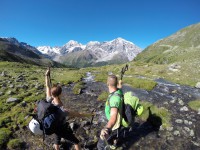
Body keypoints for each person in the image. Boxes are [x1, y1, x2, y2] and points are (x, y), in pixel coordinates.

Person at [45, 68, 81, 150]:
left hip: (53, 125)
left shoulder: (48, 99)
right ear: (60, 94)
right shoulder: (61, 109)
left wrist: (46, 75)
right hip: (61, 127)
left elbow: (47, 86)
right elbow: (76, 114)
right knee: (76, 142)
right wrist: (87, 115)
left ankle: (57, 147)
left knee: (57, 139)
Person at [97, 75, 124, 150]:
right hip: (118, 122)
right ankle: (115, 143)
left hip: (114, 125)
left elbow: (113, 117)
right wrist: (120, 83)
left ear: (107, 83)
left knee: (100, 146)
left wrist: (106, 128)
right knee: (115, 138)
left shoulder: (114, 99)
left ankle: (113, 144)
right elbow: (120, 87)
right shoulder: (119, 91)